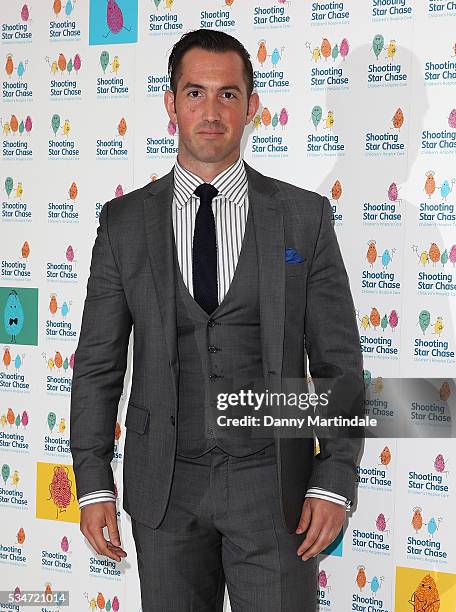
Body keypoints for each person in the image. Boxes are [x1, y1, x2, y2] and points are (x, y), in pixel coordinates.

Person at [70, 28, 364, 612]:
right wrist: (94, 482)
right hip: (165, 489)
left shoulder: (304, 217)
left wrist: (334, 477)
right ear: (171, 103)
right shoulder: (123, 223)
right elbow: (98, 362)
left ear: (252, 106)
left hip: (274, 489)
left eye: (228, 95)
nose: (211, 112)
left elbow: (339, 360)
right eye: (195, 93)